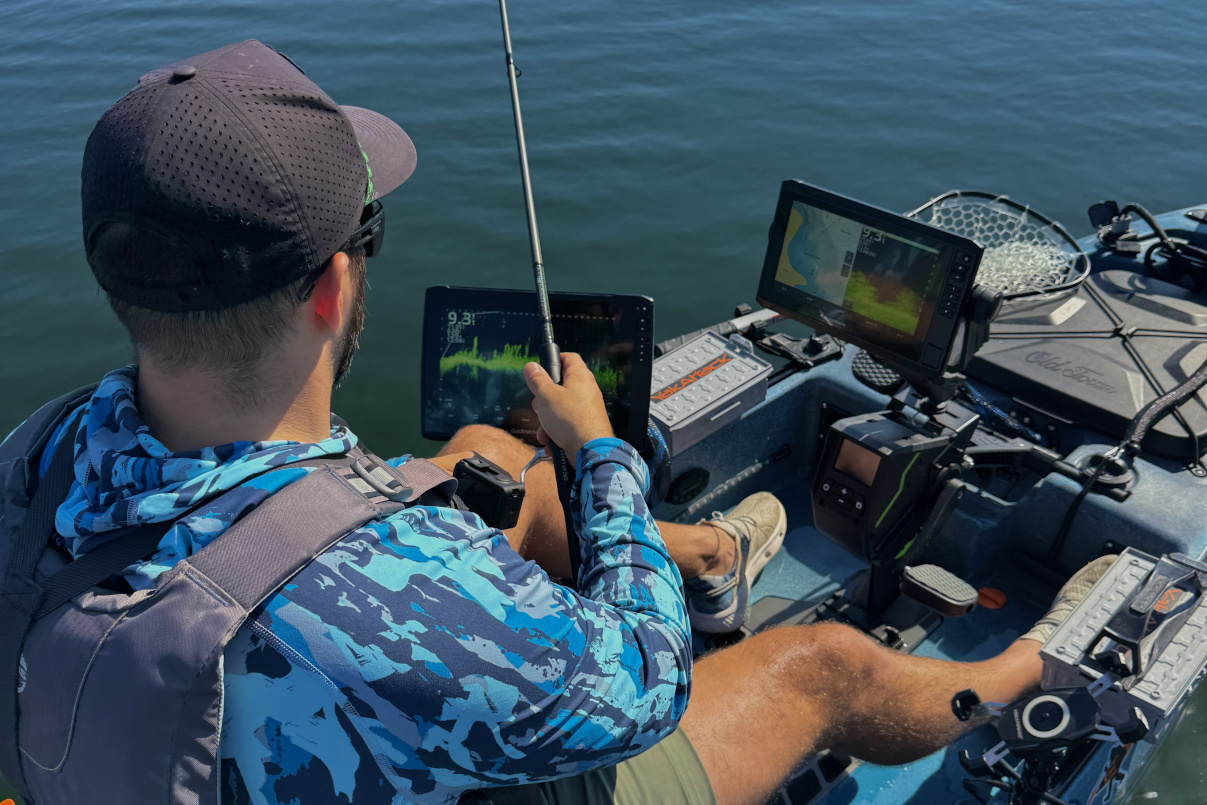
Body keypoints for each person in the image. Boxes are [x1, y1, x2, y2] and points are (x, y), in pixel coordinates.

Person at [3, 41, 1113, 805]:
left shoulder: (40, 452)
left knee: (482, 462)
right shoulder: (403, 589)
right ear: (332, 289)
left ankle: (714, 556)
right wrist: (598, 456)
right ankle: (1037, 658)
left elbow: (286, 536)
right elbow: (640, 683)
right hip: (498, 743)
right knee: (818, 660)